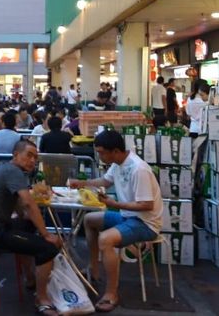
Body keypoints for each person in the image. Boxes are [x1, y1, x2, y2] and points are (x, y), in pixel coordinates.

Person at [69, 130, 163, 313]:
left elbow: (147, 205)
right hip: (128, 217)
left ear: (115, 151)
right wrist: (81, 183)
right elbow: (105, 181)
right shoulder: (118, 163)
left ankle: (111, 293)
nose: (100, 156)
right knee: (89, 220)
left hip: (146, 223)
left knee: (105, 239)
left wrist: (114, 203)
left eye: (103, 152)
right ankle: (93, 268)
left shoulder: (138, 169)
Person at [0, 140, 62, 316]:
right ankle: (42, 298)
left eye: (35, 158)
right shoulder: (13, 172)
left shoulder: (5, 168)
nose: (32, 161)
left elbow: (16, 203)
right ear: (16, 154)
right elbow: (29, 203)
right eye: (29, 155)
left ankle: (31, 279)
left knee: (28, 225)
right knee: (48, 247)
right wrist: (46, 234)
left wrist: (25, 218)